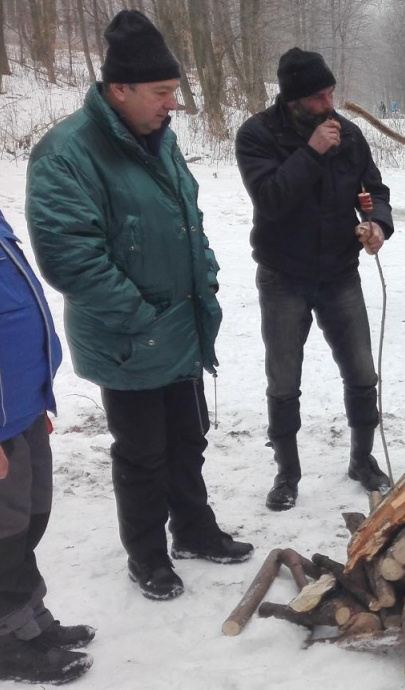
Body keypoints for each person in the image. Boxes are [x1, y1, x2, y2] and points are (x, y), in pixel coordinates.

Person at [26, 10, 252, 601]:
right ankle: (147, 554)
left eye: (174, 92)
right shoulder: (67, 152)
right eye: (162, 93)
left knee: (189, 436)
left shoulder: (160, 139)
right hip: (129, 335)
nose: (172, 104)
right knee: (143, 452)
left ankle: (195, 531)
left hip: (181, 323)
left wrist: (204, 276)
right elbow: (70, 259)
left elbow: (187, 221)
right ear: (118, 89)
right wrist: (142, 317)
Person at [235, 48, 395, 511]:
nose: (329, 103)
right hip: (284, 275)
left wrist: (377, 224)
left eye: (331, 92)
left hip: (340, 272)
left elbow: (375, 191)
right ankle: (287, 472)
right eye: (318, 96)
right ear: (292, 99)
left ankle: (362, 460)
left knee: (362, 371)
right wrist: (311, 152)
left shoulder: (349, 135)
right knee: (283, 378)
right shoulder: (257, 135)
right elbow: (271, 200)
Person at [0, 210, 95, 685]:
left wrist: (38, 394)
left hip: (23, 406)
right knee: (3, 533)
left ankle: (30, 620)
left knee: (30, 519)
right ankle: (7, 642)